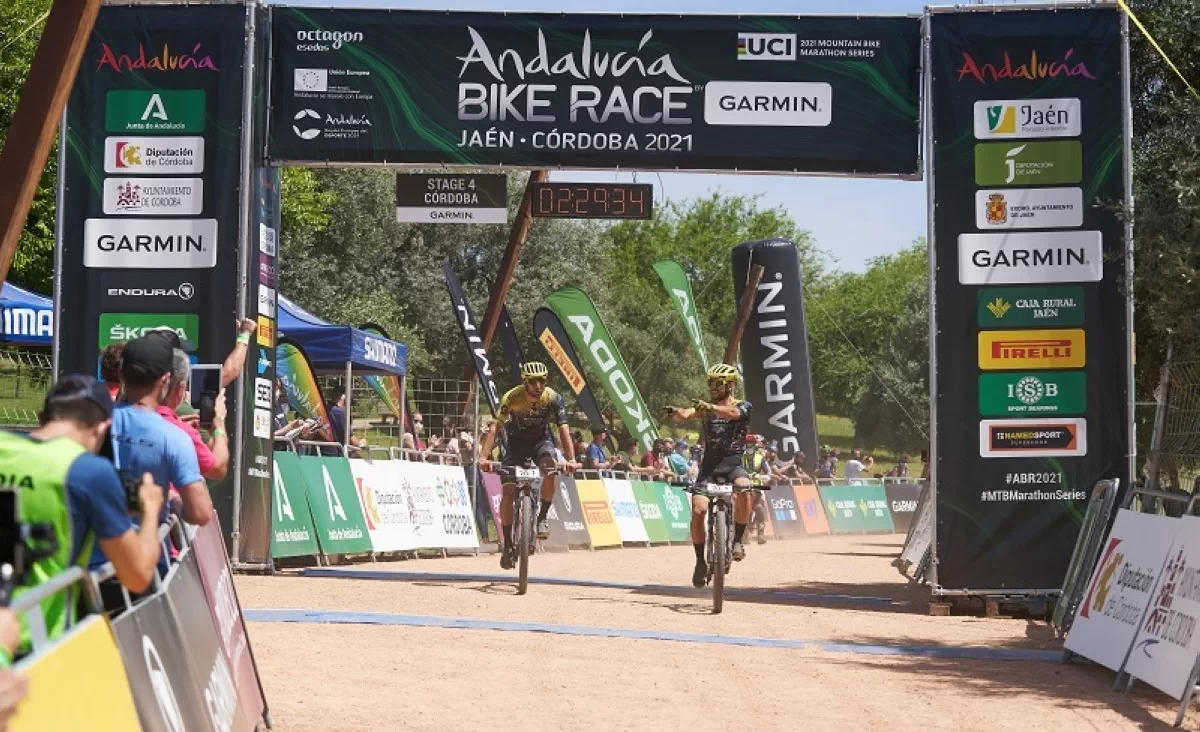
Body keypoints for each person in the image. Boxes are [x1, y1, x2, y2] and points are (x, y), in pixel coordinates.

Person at [0, 375, 163, 651]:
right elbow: (137, 576)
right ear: (102, 429)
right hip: (35, 643)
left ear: (43, 416)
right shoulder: (89, 472)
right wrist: (150, 511)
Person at [663, 363, 755, 588]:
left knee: (745, 487)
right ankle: (699, 562)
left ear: (731, 386)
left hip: (733, 467)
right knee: (698, 510)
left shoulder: (743, 405)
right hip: (709, 469)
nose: (713, 387)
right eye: (710, 383)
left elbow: (733, 414)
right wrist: (678, 413)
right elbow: (687, 414)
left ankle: (737, 542)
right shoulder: (706, 408)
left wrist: (711, 408)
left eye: (718, 383)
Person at [477, 362, 577, 569]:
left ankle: (541, 517)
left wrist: (571, 459)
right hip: (514, 444)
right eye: (533, 381)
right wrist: (483, 456)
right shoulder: (511, 397)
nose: (538, 385)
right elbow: (496, 428)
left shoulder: (553, 398)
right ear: (525, 382)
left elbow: (563, 429)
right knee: (508, 492)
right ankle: (507, 545)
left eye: (542, 380)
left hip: (540, 441)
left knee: (550, 468)